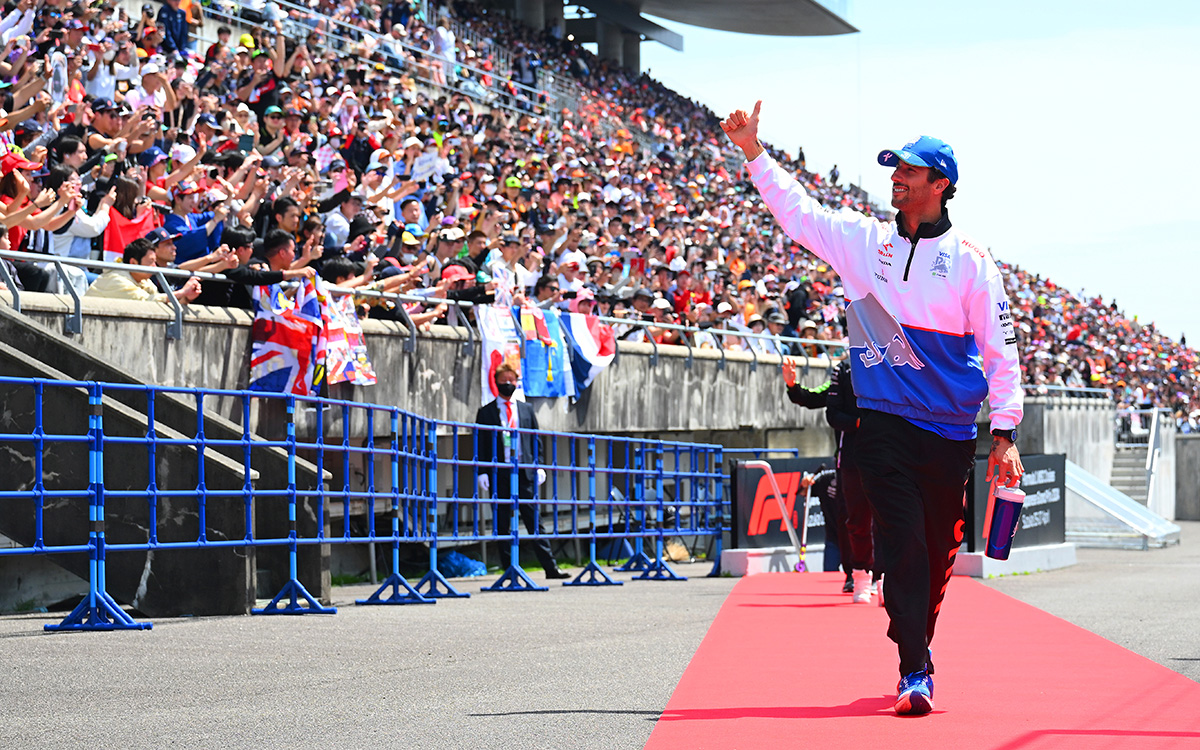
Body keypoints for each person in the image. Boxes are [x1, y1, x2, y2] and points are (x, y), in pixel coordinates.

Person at [723, 102, 1024, 716]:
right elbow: (799, 214)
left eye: (909, 171)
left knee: (935, 554)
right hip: (880, 422)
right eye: (894, 169)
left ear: (940, 185)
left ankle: (918, 649)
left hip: (946, 433)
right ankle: (914, 668)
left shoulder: (971, 259)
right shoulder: (866, 241)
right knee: (904, 546)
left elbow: (1001, 347)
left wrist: (1005, 431)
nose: (896, 178)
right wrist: (754, 152)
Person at [473, 363, 570, 580]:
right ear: (496, 383)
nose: (508, 384)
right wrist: (482, 471)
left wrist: (539, 465)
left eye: (511, 380)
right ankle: (509, 570)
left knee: (534, 520)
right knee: (502, 523)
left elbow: (535, 439)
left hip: (523, 471)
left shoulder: (525, 409)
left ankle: (550, 568)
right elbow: (480, 444)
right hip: (500, 472)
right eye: (503, 381)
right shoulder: (486, 412)